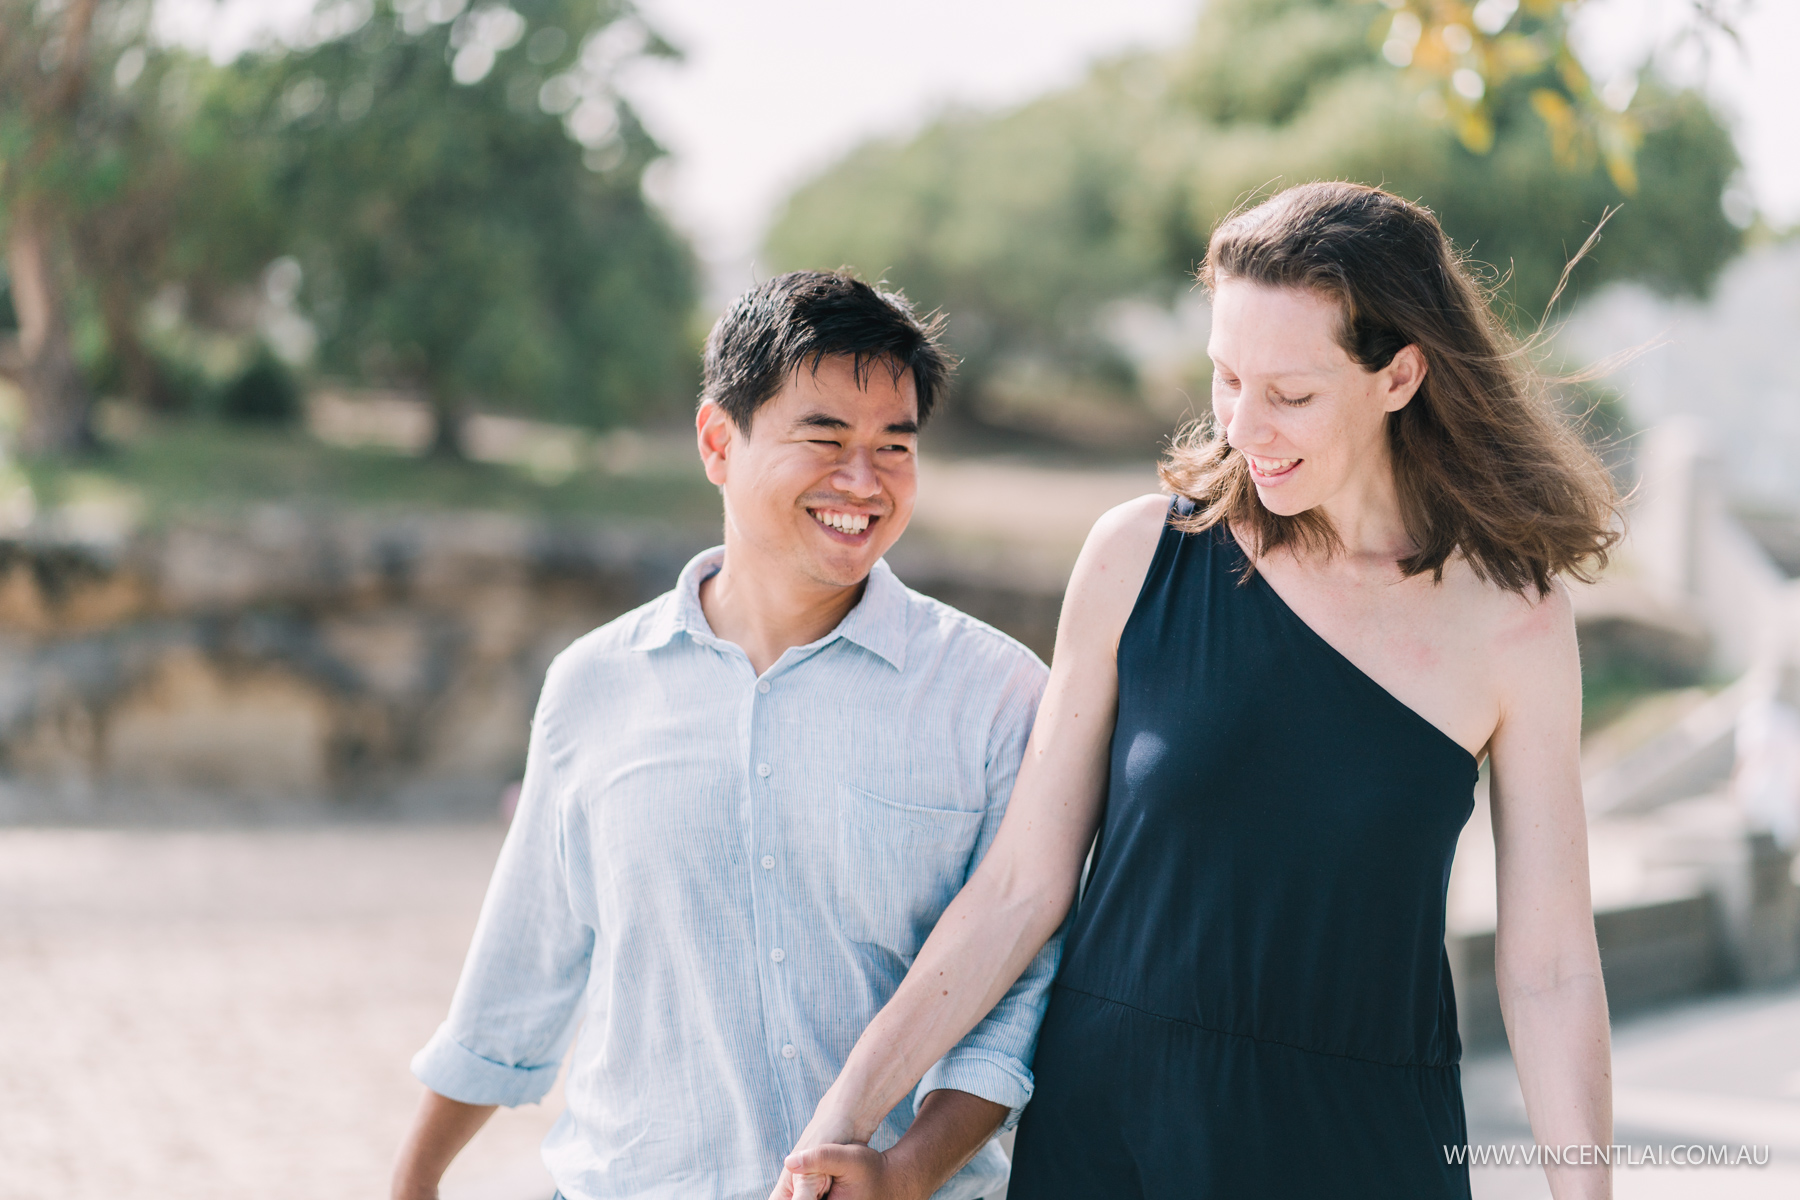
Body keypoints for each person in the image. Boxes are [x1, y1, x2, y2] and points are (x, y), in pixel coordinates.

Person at [776, 183, 1619, 1200]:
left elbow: (1552, 967)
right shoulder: (1139, 557)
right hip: (1112, 1137)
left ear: (1399, 376)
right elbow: (1018, 888)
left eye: (1292, 394)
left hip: (1362, 1151)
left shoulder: (1516, 624)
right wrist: (844, 1123)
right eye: (1226, 377)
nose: (1245, 425)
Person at [391, 270, 1060, 1200]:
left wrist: (906, 1174)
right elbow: (521, 971)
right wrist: (411, 1182)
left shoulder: (1000, 696)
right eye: (824, 437)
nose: (861, 482)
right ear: (718, 440)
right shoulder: (594, 686)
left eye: (893, 447)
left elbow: (1015, 1001)